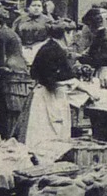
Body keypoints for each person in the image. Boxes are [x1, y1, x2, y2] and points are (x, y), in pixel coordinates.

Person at [25, 22, 83, 153]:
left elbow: (34, 71)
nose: (73, 37)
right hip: (50, 96)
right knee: (53, 130)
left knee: (40, 132)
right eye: (71, 33)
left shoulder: (47, 47)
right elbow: (63, 77)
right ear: (65, 34)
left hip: (42, 94)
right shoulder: (56, 51)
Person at [0, 6, 30, 141]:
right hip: (17, 67)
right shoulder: (6, 32)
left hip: (12, 70)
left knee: (7, 110)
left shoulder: (1, 34)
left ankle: (6, 136)